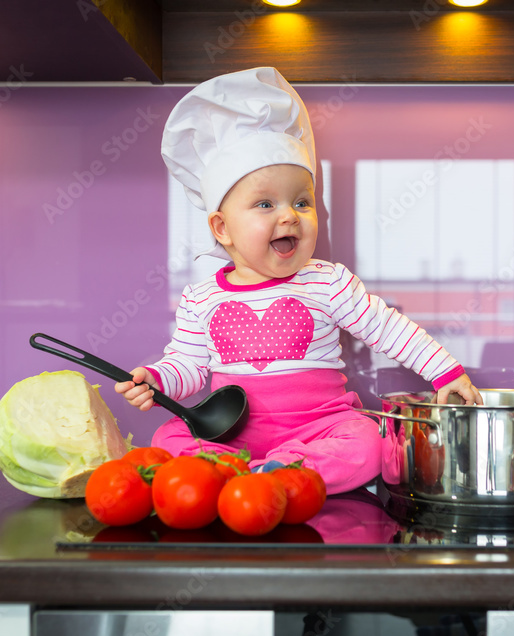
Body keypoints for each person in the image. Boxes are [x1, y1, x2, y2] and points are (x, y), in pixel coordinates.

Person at [115, 67, 482, 494]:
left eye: (302, 202)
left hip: (319, 428)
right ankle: (249, 473)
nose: (289, 215)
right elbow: (191, 367)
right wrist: (156, 380)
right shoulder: (202, 297)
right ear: (222, 228)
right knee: (168, 437)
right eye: (266, 203)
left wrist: (445, 374)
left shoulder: (328, 283)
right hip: (231, 435)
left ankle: (274, 473)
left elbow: (389, 330)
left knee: (370, 442)